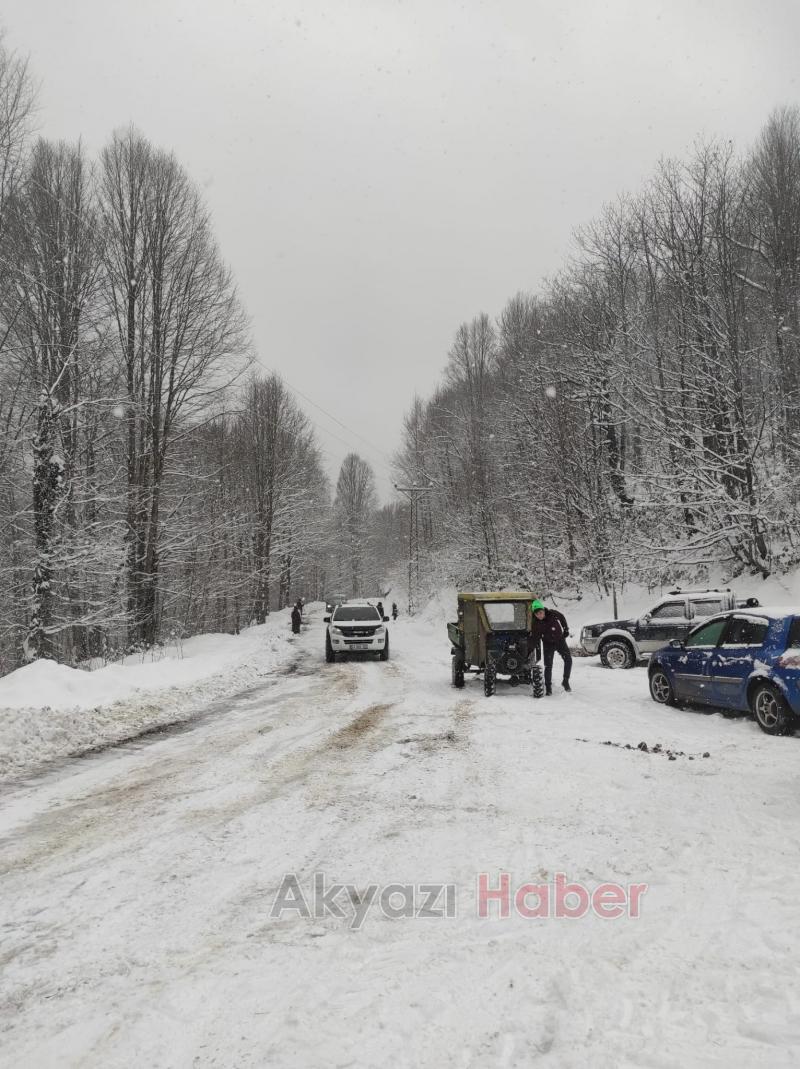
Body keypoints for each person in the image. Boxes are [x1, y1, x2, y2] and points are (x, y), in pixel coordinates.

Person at [529, 598, 572, 695]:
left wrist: (565, 629)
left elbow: (562, 617)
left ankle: (565, 681)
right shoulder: (535, 623)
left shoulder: (552, 613)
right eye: (537, 614)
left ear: (543, 610)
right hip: (548, 643)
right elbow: (535, 638)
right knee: (548, 666)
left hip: (559, 640)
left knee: (568, 659)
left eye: (540, 612)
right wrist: (529, 648)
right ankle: (548, 687)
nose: (539, 615)